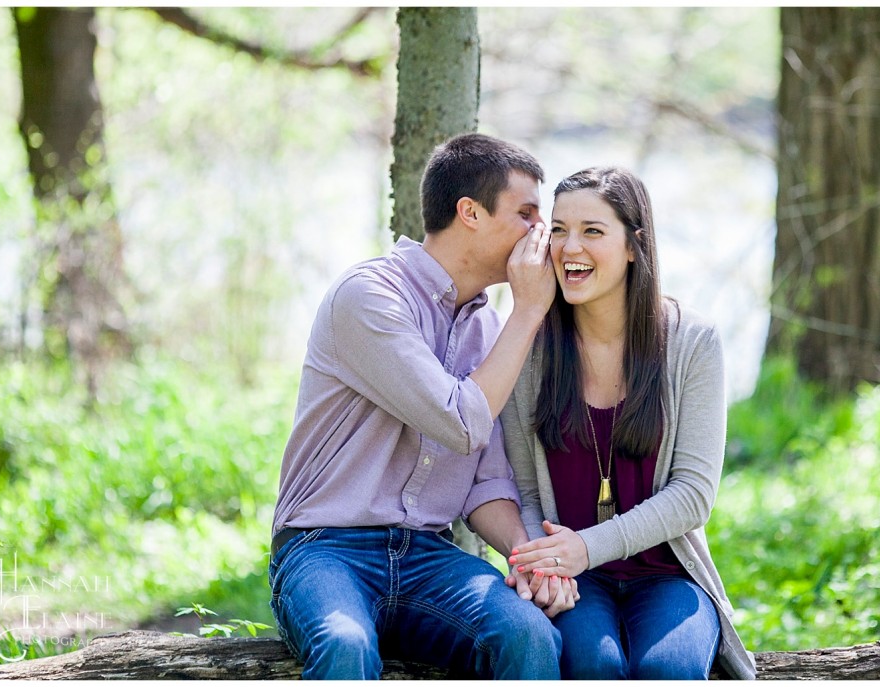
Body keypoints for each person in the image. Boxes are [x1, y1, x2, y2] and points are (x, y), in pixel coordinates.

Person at [268, 133, 575, 680]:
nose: (541, 234)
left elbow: (486, 483)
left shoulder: (486, 329)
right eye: (527, 214)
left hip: (427, 557)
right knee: (344, 645)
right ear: (470, 213)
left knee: (528, 634)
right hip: (325, 549)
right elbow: (460, 420)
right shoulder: (369, 297)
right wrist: (528, 311)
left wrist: (529, 560)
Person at [501, 166, 757, 680]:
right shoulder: (527, 347)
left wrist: (586, 546)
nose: (570, 247)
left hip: (668, 575)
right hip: (575, 581)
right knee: (595, 665)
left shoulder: (692, 344)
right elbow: (525, 491)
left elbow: (693, 494)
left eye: (593, 231)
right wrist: (545, 567)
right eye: (559, 229)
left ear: (635, 247)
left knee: (668, 669)